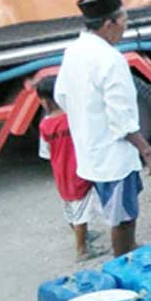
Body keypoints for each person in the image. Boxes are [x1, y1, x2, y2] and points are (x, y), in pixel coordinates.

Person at [55, 0, 151, 257]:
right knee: (122, 216)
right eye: (124, 21)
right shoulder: (110, 59)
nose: (125, 28)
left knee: (119, 207)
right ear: (109, 24)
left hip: (92, 150)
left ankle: (130, 248)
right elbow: (122, 120)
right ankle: (124, 260)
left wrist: (88, 119)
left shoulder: (74, 51)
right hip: (113, 156)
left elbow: (61, 96)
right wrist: (150, 154)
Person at [37, 76, 103, 262]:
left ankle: (82, 236)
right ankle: (81, 249)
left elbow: (46, 152)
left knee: (71, 209)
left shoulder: (44, 125)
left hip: (61, 175)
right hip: (80, 173)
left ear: (44, 102)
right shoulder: (74, 119)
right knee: (81, 212)